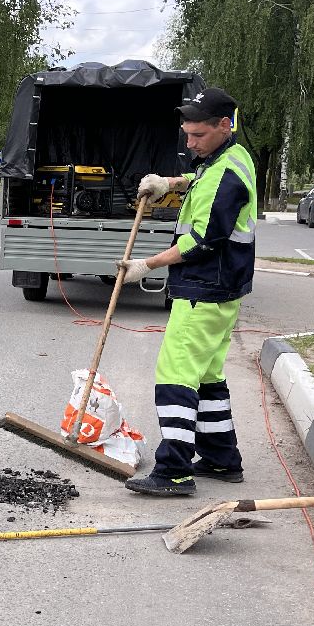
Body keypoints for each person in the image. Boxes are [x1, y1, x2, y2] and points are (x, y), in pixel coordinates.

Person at [117, 86, 258, 497]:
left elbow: (201, 240)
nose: (190, 143)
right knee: (208, 376)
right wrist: (169, 182)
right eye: (187, 134)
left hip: (205, 287)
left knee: (176, 374)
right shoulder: (232, 157)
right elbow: (202, 177)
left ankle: (174, 471)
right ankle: (220, 457)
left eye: (198, 135)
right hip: (222, 287)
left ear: (224, 125)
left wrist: (147, 265)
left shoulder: (226, 176)